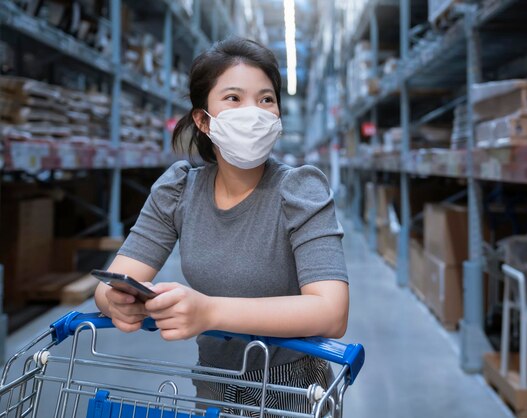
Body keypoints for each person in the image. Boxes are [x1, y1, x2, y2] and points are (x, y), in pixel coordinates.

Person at [94, 37, 349, 416]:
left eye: (266, 99)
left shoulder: (299, 190)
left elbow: (331, 312)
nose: (255, 112)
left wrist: (209, 312)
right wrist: (117, 302)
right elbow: (111, 283)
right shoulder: (178, 190)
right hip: (212, 386)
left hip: (291, 391)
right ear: (203, 119)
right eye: (233, 98)